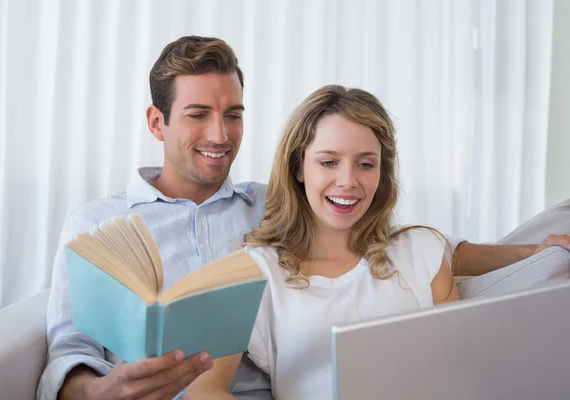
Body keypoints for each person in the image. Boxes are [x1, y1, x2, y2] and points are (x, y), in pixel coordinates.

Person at [38, 35, 570, 400]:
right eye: (198, 114)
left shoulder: (281, 203)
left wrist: (535, 250)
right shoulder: (97, 225)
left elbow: (409, 244)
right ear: (157, 122)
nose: (221, 135)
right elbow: (69, 346)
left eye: (234, 114)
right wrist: (96, 390)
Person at [184, 85, 461, 400]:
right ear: (299, 167)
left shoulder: (423, 253)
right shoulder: (253, 273)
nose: (348, 180)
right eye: (329, 162)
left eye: (366, 164)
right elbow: (203, 392)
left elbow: (462, 373)